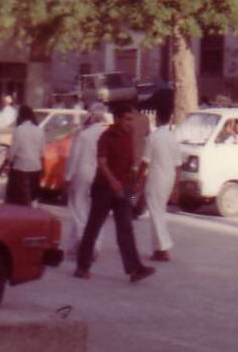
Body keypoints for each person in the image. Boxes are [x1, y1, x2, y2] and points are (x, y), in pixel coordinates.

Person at [75, 103, 154, 283]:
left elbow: (130, 163)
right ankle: (82, 266)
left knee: (126, 228)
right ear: (117, 119)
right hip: (104, 188)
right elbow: (102, 162)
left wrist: (133, 182)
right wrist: (113, 182)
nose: (130, 123)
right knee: (94, 226)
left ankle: (135, 269)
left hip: (122, 189)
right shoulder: (106, 136)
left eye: (132, 119)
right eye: (127, 119)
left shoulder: (129, 137)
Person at [65, 103, 108, 258]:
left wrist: (68, 176)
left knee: (79, 209)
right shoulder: (106, 134)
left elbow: (74, 157)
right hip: (101, 175)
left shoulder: (84, 135)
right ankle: (94, 245)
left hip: (83, 174)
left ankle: (83, 243)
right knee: (96, 211)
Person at [141, 99, 182, 261]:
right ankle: (158, 249)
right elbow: (179, 165)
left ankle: (163, 248)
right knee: (159, 211)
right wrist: (176, 187)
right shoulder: (173, 138)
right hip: (169, 179)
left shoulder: (153, 137)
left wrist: (139, 181)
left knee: (155, 212)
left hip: (156, 178)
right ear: (170, 119)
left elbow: (145, 162)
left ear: (157, 118)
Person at [6, 104, 43, 206]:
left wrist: (8, 162)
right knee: (33, 196)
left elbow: (13, 151)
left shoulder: (19, 130)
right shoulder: (39, 130)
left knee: (20, 198)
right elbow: (42, 151)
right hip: (35, 167)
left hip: (21, 167)